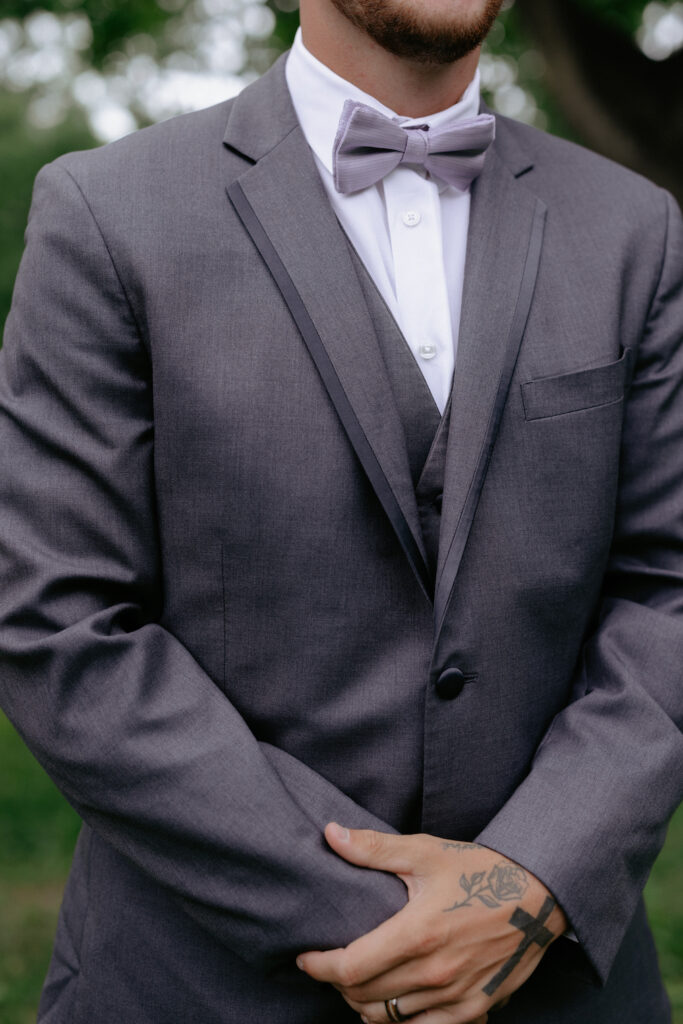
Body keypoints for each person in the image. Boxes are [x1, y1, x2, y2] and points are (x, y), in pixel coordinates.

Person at [0, 0, 681, 1021]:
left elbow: (663, 591)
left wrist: (524, 883)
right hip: (195, 985)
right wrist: (397, 922)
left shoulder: (636, 230)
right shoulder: (105, 210)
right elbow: (58, 619)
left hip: (558, 984)